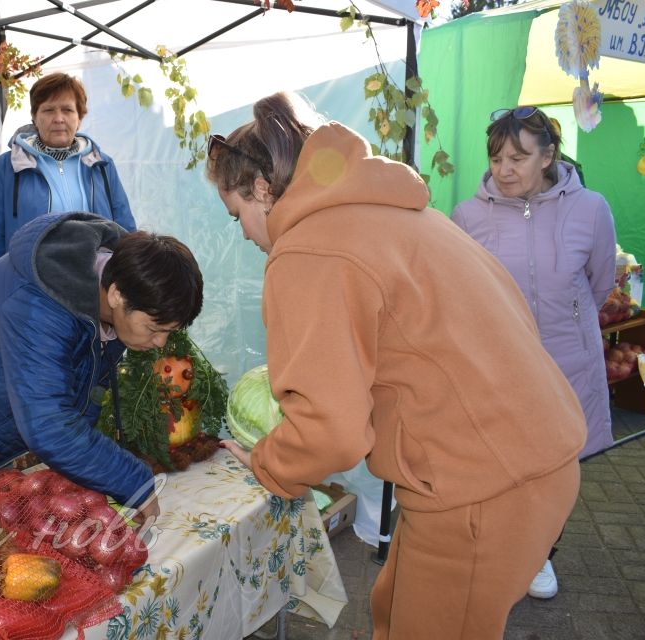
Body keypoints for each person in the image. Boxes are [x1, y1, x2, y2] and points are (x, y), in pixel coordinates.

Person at [209, 92, 586, 640]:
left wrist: (269, 465)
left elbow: (331, 429)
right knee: (394, 608)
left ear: (262, 190)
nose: (242, 232)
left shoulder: (308, 250)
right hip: (519, 466)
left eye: (236, 214)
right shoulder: (403, 214)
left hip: (481, 487)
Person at [0, 212, 204, 522]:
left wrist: (94, 463)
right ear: (118, 295)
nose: (160, 343)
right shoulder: (41, 306)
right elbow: (48, 423)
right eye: (154, 328)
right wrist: (135, 484)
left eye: (168, 332)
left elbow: (77, 388)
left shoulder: (116, 284)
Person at [452, 105, 616, 600]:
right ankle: (505, 548)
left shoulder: (590, 209)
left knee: (557, 469)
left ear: (547, 156)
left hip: (570, 365)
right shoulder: (467, 215)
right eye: (497, 157)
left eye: (518, 158)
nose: (504, 169)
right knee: (505, 466)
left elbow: (600, 284)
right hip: (501, 369)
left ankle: (542, 553)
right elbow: (462, 291)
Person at [0, 72, 136, 274]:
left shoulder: (102, 165)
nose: (58, 119)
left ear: (79, 117)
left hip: (95, 289)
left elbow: (125, 230)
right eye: (48, 110)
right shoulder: (8, 166)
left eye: (67, 110)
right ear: (34, 116)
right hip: (29, 291)